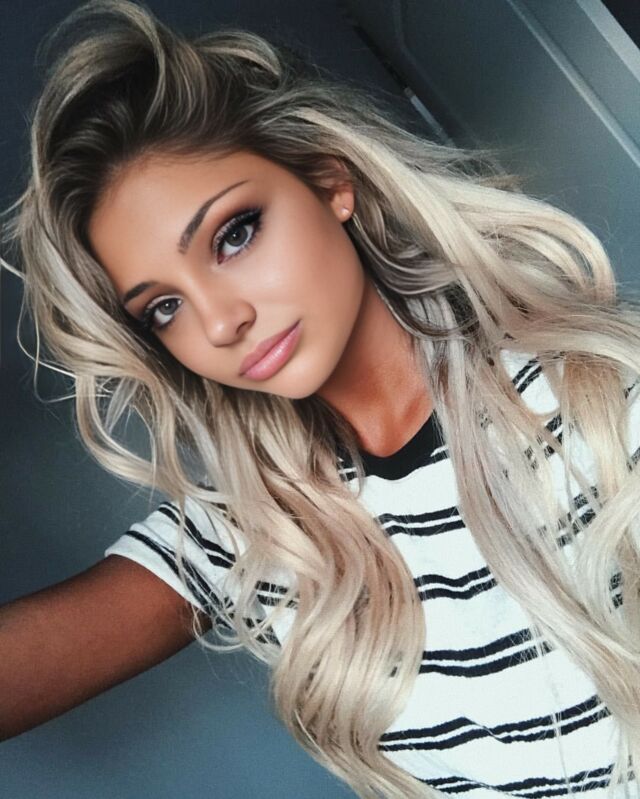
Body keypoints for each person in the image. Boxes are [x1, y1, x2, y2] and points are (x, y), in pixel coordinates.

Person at [1, 1, 639, 797]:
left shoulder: (600, 397)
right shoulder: (254, 530)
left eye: (234, 234)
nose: (221, 321)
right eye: (163, 307)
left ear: (329, 182)